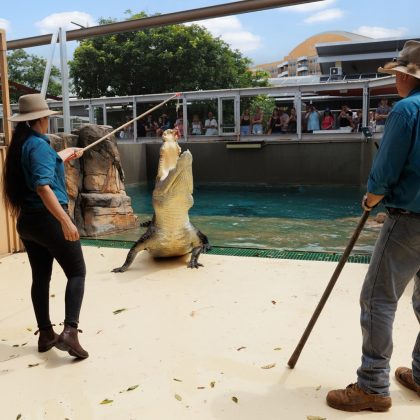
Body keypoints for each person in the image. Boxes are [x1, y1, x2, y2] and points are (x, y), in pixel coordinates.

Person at [326, 40, 420, 413]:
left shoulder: (406, 110)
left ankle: (372, 386)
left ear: (404, 75)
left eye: (398, 72)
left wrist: (371, 198)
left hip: (409, 221)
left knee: (378, 300)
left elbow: (385, 171)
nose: (395, 78)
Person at [2, 94, 89, 359]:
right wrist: (65, 220)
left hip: (28, 222)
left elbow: (40, 168)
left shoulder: (22, 144)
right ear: (41, 118)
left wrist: (62, 156)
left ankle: (46, 335)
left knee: (41, 277)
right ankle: (70, 333)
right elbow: (42, 186)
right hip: (48, 219)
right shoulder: (38, 146)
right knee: (77, 272)